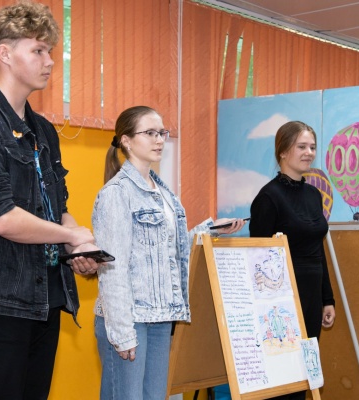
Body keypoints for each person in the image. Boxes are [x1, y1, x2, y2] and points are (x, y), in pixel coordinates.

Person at [0, 2, 99, 399]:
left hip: (44, 299)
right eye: (38, 50)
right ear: (5, 54)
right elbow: (4, 218)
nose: (50, 61)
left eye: (50, 51)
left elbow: (57, 208)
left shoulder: (43, 130)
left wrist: (79, 244)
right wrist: (71, 235)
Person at [91, 105, 245, 400]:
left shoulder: (164, 194)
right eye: (150, 133)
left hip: (160, 316)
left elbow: (168, 250)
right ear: (126, 140)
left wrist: (209, 230)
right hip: (129, 319)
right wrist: (122, 332)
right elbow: (112, 267)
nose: (160, 139)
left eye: (162, 132)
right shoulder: (116, 193)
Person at [249, 121, 336, 400]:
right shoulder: (268, 197)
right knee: (282, 378)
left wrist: (327, 299)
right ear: (283, 151)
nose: (309, 152)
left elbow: (318, 250)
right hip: (281, 303)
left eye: (312, 147)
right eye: (302, 147)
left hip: (311, 299)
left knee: (302, 375)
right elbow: (258, 260)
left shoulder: (314, 195)